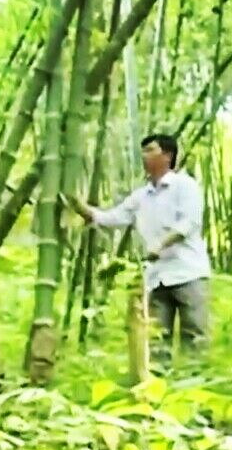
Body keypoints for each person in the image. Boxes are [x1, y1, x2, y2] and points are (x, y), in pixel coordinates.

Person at [65, 134, 210, 357]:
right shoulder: (141, 196)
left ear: (167, 155)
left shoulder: (185, 186)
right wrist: (80, 207)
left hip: (187, 272)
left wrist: (160, 244)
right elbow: (112, 217)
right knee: (156, 339)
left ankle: (195, 376)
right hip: (156, 277)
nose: (144, 155)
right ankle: (159, 378)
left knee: (194, 336)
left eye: (150, 150)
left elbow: (189, 223)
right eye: (143, 151)